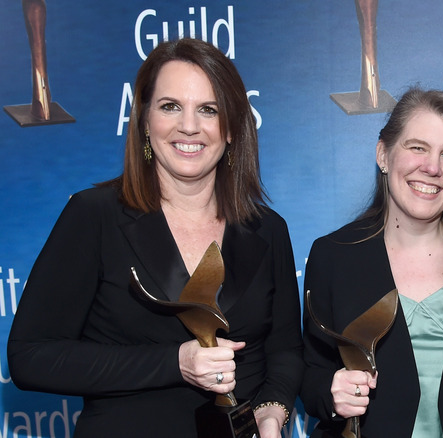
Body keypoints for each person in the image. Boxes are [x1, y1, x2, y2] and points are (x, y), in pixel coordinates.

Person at [7, 38, 303, 438]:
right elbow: (30, 357)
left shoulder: (268, 229)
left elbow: (284, 351)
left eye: (208, 110)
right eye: (170, 106)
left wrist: (272, 413)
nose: (189, 126)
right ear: (145, 120)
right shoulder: (94, 215)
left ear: (232, 128)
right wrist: (174, 362)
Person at [301, 88, 443, 437]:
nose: (432, 168)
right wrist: (334, 394)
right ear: (383, 154)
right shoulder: (334, 255)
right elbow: (312, 373)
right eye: (417, 147)